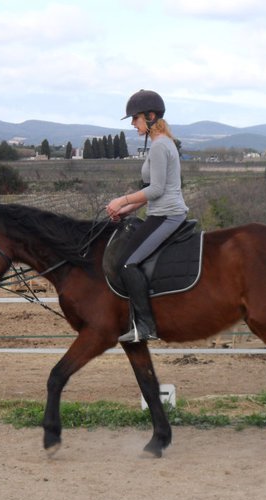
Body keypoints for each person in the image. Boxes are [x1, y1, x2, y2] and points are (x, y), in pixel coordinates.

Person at [106, 89, 189, 343]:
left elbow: (156, 189)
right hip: (159, 212)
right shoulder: (162, 143)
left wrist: (122, 200)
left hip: (168, 216)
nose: (133, 123)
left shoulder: (160, 145)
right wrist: (128, 210)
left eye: (135, 118)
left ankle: (145, 326)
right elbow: (152, 192)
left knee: (128, 263)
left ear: (151, 116)